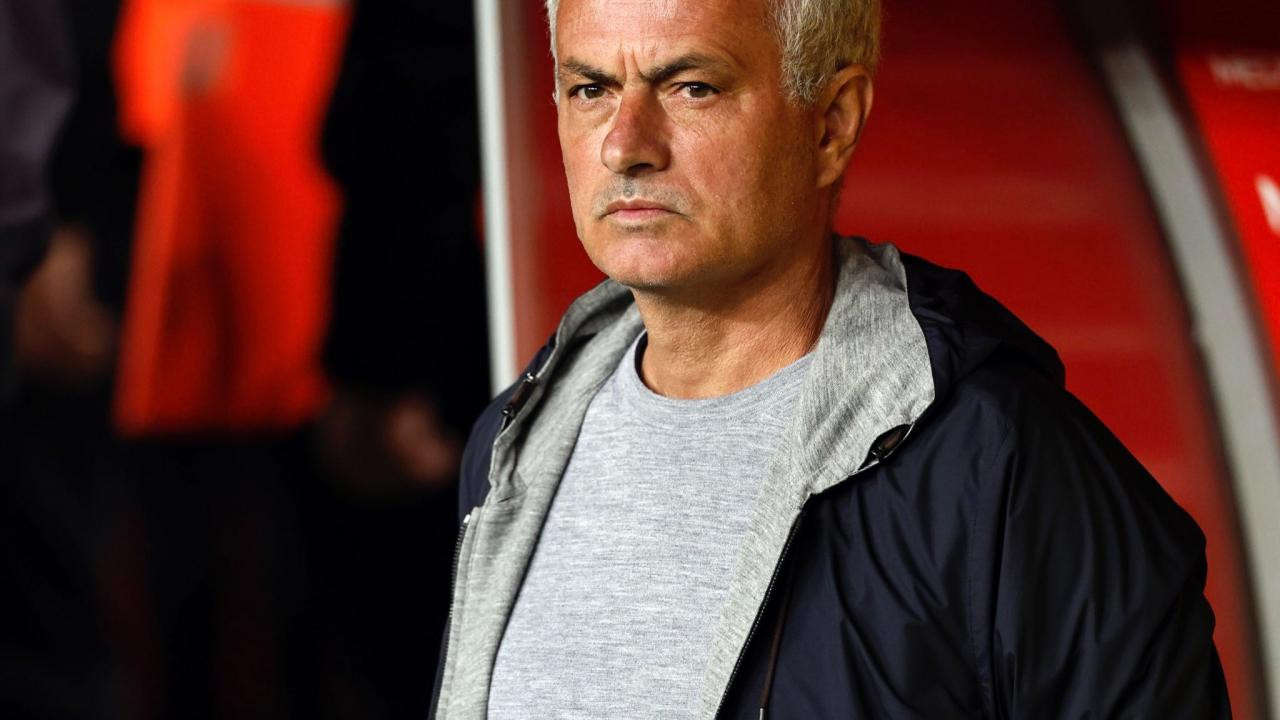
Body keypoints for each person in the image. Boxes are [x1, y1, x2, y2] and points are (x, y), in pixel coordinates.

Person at [432, 0, 1231, 717]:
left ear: (832, 124)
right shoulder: (513, 443)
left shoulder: (1003, 467)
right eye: (590, 89)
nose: (624, 145)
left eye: (692, 88)